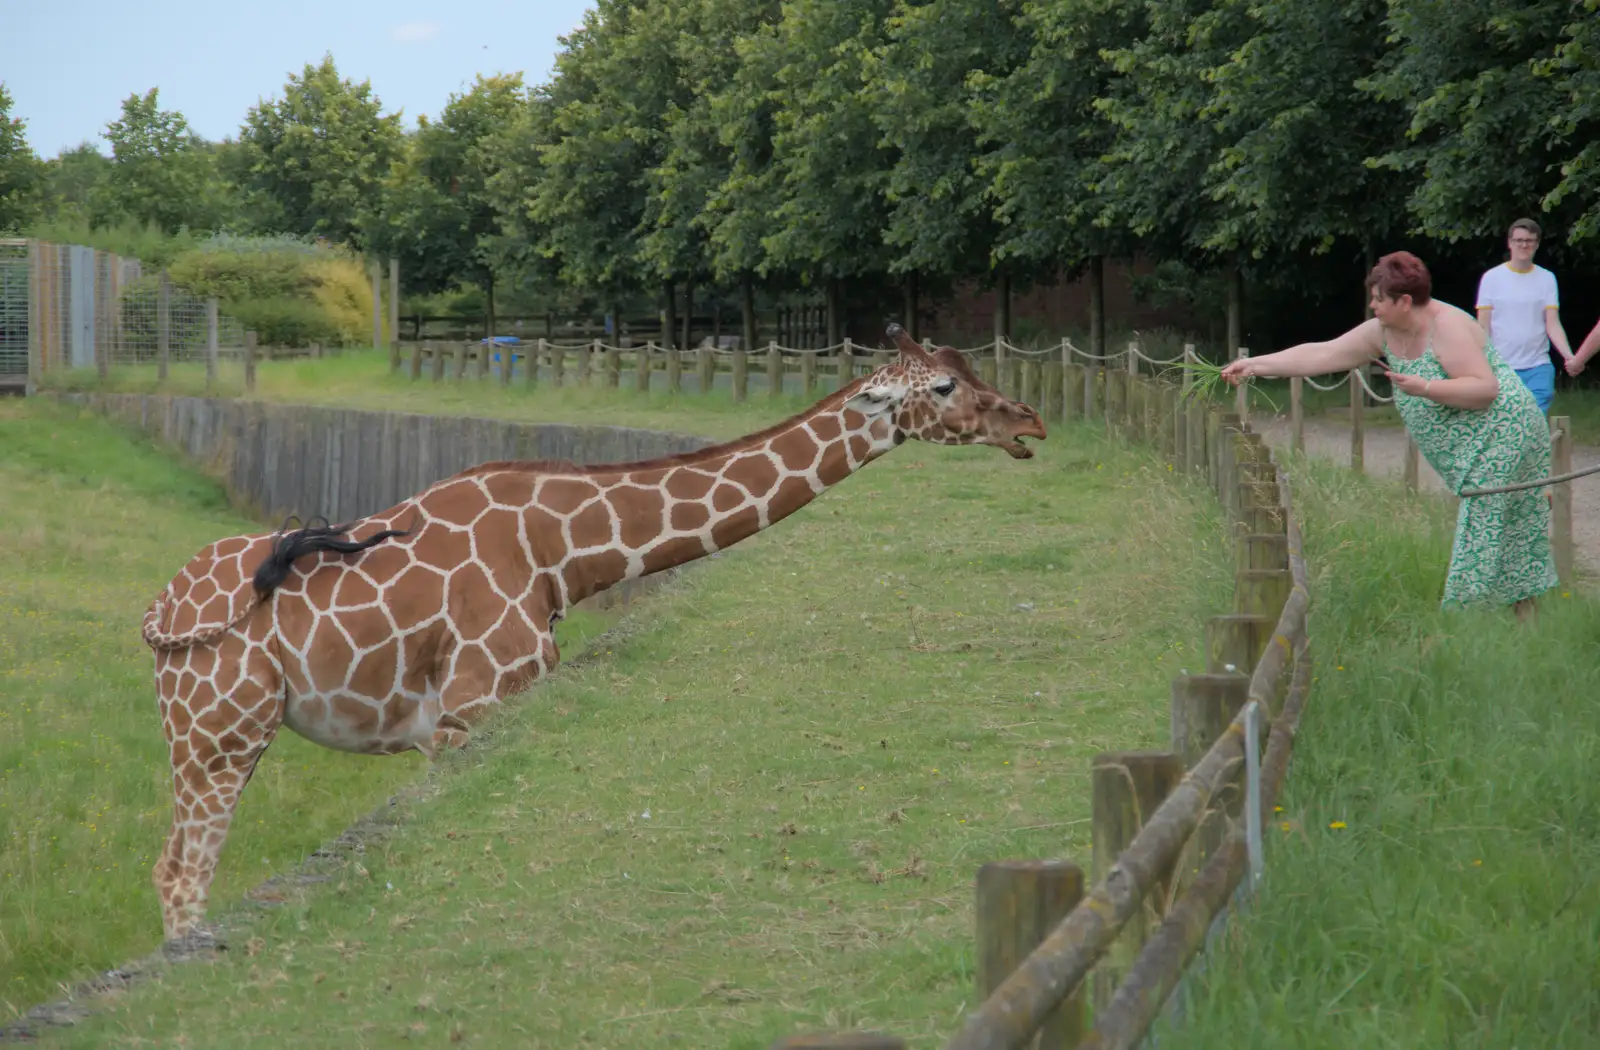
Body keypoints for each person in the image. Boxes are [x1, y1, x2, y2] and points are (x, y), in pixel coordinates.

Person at [1221, 251, 1558, 620]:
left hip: (1507, 433)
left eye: (1379, 299)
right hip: (1477, 445)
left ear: (1405, 301)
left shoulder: (1447, 327)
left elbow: (1484, 389)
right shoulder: (1382, 331)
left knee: (1485, 526)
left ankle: (1461, 624)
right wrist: (1254, 365)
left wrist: (1425, 386)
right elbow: (1323, 353)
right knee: (1510, 533)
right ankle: (1527, 627)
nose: (1372, 305)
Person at [1475, 218, 1574, 414]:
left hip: (1538, 364)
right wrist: (1481, 362)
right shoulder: (1491, 278)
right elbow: (1483, 327)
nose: (1524, 245)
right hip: (1502, 366)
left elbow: (1552, 325)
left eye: (1529, 240)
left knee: (1534, 420)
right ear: (1510, 243)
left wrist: (1569, 356)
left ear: (1537, 244)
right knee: (1506, 423)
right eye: (1519, 240)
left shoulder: (1546, 278)